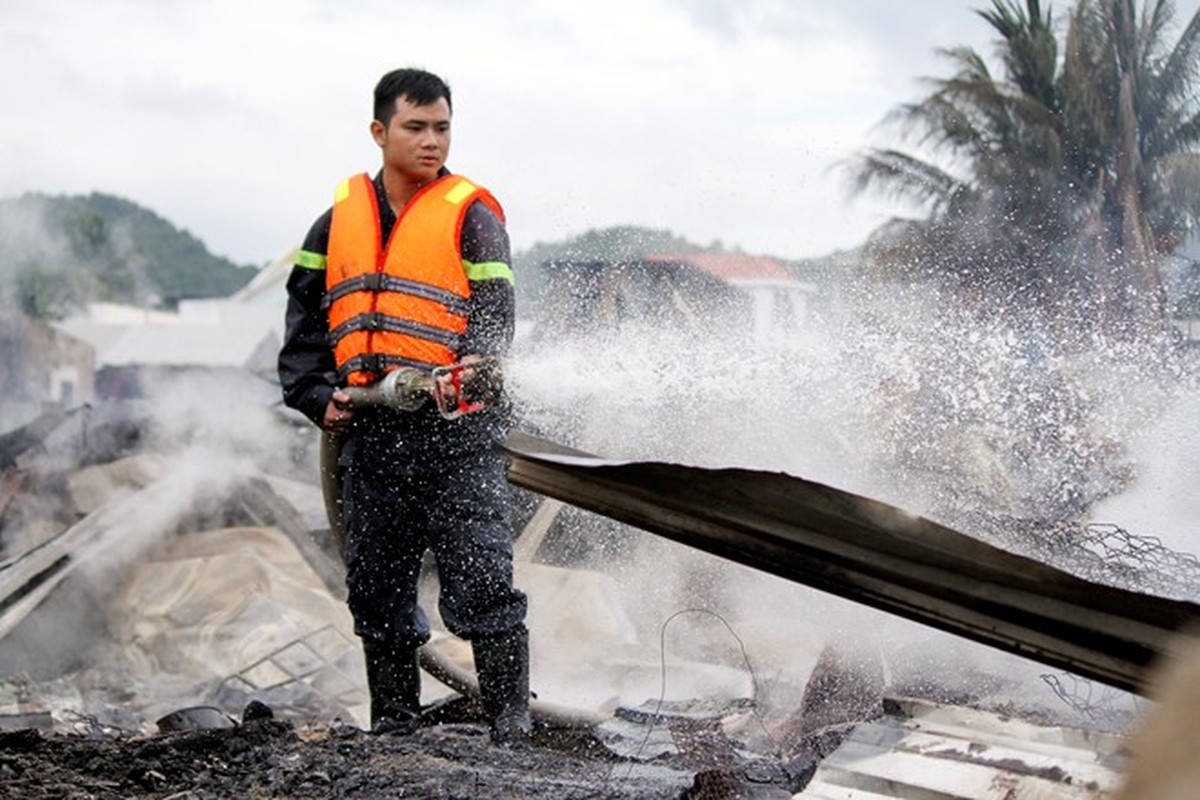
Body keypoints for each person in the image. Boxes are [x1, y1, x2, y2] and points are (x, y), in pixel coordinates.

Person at [277, 67, 530, 745]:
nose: (431, 141)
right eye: (416, 127)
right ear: (379, 131)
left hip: (458, 438)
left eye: (442, 128)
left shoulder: (472, 215)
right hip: (372, 437)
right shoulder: (335, 225)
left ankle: (512, 725)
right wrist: (314, 395)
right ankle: (393, 727)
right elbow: (303, 326)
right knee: (378, 590)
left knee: (481, 579)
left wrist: (476, 362)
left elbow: (496, 313)